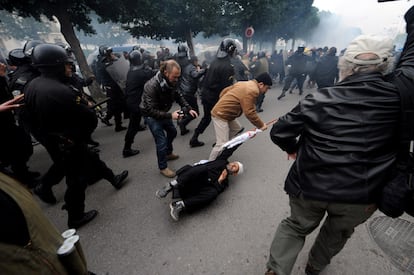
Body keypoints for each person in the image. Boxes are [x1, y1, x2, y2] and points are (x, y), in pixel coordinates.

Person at [265, 6, 414, 275]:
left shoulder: (316, 99)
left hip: (309, 186)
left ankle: (276, 271)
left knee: (295, 226)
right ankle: (314, 267)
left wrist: (294, 149)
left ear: (346, 66)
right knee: (337, 233)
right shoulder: (399, 100)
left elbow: (280, 131)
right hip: (362, 195)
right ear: (384, 66)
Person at [24, 44, 128, 229]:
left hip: (57, 139)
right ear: (55, 66)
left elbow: (28, 117)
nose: (69, 67)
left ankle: (113, 179)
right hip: (69, 140)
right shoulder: (62, 91)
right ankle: (75, 216)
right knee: (76, 180)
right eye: (66, 64)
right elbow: (88, 118)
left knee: (92, 158)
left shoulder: (32, 85)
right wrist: (80, 133)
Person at [140, 59, 198, 178]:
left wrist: (188, 108)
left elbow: (178, 95)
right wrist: (171, 115)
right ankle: (163, 167)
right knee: (160, 141)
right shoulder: (151, 85)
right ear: (166, 73)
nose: (177, 80)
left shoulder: (172, 82)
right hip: (151, 115)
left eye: (178, 77)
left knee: (172, 131)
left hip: (163, 112)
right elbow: (151, 110)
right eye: (174, 77)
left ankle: (168, 153)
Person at [155, 145, 243, 221]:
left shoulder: (225, 183)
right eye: (233, 163)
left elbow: (216, 190)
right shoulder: (222, 161)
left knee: (214, 193)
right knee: (203, 168)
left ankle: (179, 205)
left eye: (235, 167)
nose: (232, 165)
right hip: (189, 177)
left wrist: (220, 180)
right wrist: (247, 135)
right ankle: (170, 186)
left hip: (194, 190)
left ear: (234, 173)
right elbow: (230, 149)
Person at [208, 72, 271, 161]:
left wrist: (224, 102)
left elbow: (224, 91)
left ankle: (223, 145)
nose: (266, 91)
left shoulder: (244, 83)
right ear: (261, 84)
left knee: (237, 129)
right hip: (221, 115)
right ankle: (209, 165)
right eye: (267, 88)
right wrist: (261, 125)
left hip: (226, 113)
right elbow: (249, 112)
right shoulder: (253, 90)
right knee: (222, 144)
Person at [189, 38, 236, 147]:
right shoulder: (228, 66)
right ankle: (221, 142)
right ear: (231, 50)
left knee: (207, 118)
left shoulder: (214, 61)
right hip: (216, 97)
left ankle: (194, 137)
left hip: (206, 95)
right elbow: (226, 88)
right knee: (222, 119)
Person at [122, 50, 155, 158]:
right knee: (135, 125)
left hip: (132, 102)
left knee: (137, 124)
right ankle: (126, 149)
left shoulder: (131, 70)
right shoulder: (140, 73)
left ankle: (127, 147)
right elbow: (152, 74)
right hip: (136, 103)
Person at [96, 46, 127, 132]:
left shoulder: (109, 60)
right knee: (115, 105)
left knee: (117, 105)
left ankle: (116, 123)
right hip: (111, 87)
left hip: (116, 85)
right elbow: (108, 68)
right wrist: (114, 60)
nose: (110, 54)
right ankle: (116, 124)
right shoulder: (102, 62)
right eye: (108, 53)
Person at [177, 55, 206, 135]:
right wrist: (204, 70)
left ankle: (180, 119)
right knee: (195, 112)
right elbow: (195, 75)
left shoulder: (186, 67)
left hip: (183, 91)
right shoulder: (192, 68)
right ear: (195, 61)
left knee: (185, 108)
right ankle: (183, 123)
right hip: (189, 93)